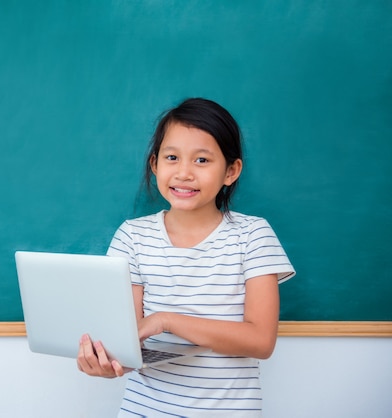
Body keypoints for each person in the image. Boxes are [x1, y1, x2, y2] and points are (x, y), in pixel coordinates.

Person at [77, 98, 295, 417]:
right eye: (172, 157)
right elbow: (127, 340)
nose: (184, 173)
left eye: (202, 160)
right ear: (155, 165)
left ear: (231, 171)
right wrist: (108, 363)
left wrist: (167, 320)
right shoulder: (133, 236)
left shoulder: (253, 236)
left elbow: (260, 340)